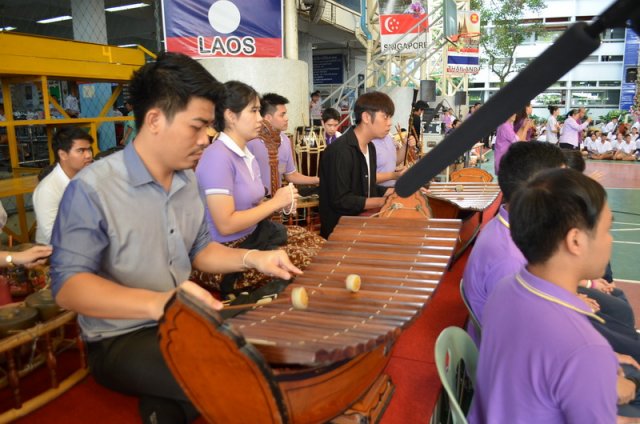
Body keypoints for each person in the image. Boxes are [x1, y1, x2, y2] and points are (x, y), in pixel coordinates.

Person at [49, 53, 302, 424]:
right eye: (197, 126)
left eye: (209, 127)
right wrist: (163, 302)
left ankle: (164, 408)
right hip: (120, 338)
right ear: (154, 120)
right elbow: (68, 287)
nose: (206, 138)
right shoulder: (93, 188)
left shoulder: (186, 181)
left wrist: (254, 259)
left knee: (274, 336)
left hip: (182, 319)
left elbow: (202, 251)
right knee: (229, 372)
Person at [469, 168, 623, 423]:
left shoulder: (506, 287)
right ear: (575, 241)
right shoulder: (586, 350)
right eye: (607, 230)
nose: (609, 241)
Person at [194, 82, 321, 297]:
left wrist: (279, 202)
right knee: (311, 260)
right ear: (231, 116)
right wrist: (274, 203)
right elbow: (225, 225)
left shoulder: (246, 155)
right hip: (227, 253)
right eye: (253, 111)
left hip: (255, 236)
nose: (260, 118)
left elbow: (249, 205)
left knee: (319, 244)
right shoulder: (217, 157)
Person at [318, 91, 394, 238]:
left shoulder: (370, 147)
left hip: (363, 226)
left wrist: (396, 193)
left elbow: (366, 188)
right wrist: (384, 201)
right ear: (366, 117)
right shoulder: (340, 151)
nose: (389, 122)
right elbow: (341, 200)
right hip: (340, 233)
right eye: (385, 117)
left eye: (390, 117)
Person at [247, 93, 319, 195]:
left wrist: (317, 180)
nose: (286, 118)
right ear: (268, 117)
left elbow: (290, 175)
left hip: (277, 199)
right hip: (255, 203)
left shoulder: (285, 140)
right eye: (282, 114)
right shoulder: (251, 141)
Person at [33, 127, 94, 244]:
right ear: (63, 154)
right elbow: (54, 237)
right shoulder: (48, 190)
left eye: (89, 149)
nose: (88, 155)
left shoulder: (91, 176)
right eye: (81, 150)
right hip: (55, 254)